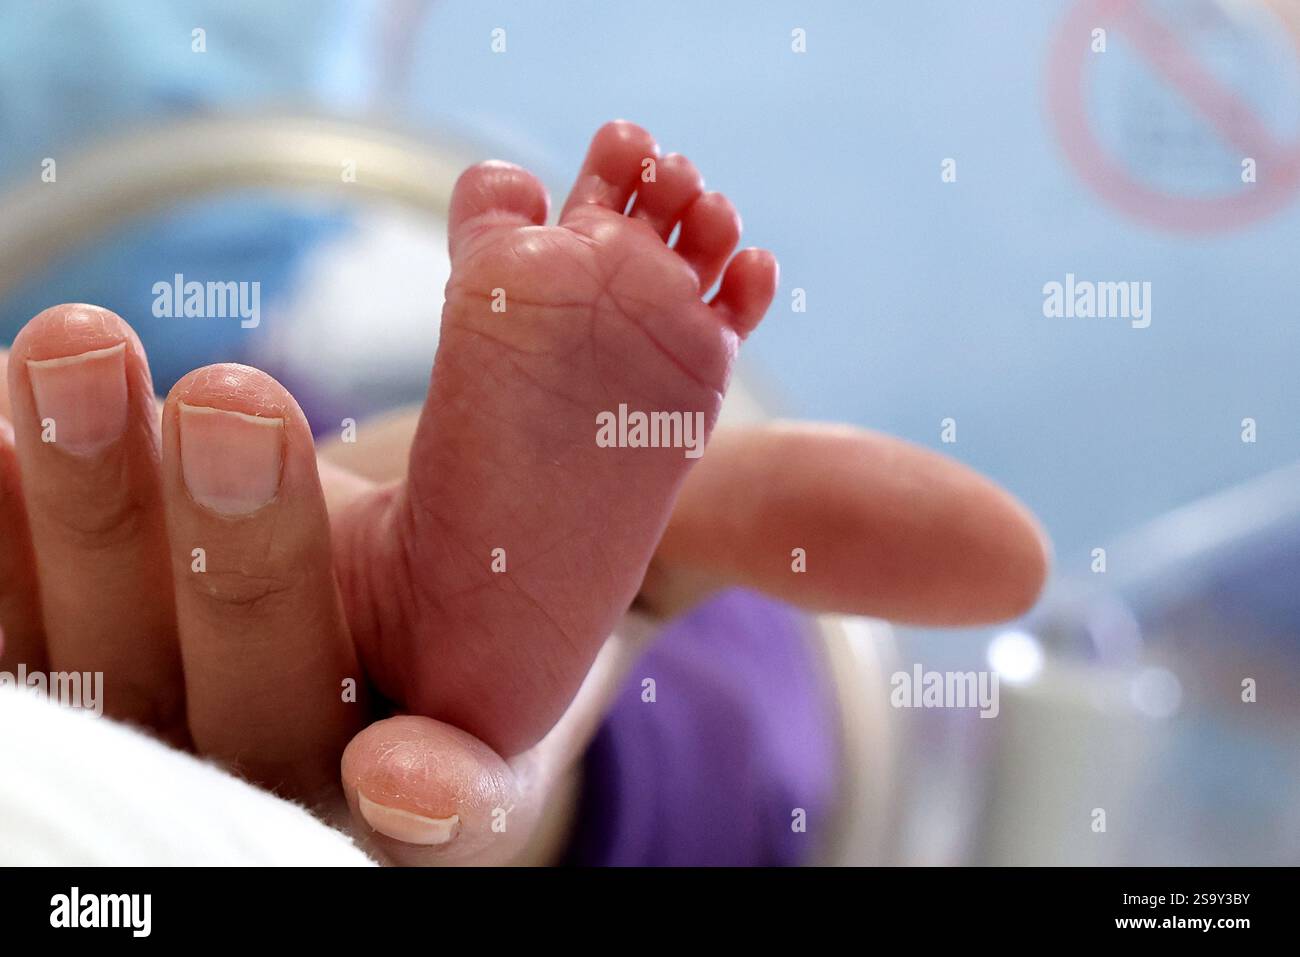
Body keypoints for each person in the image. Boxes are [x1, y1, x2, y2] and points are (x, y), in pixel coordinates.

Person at [0, 123, 1049, 865]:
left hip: (389, 453)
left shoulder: (348, 357)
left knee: (648, 658)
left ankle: (499, 628)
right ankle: (458, 624)